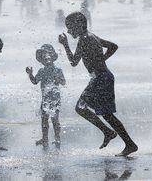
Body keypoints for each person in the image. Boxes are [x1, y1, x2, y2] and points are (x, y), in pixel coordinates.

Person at [58, 12, 138, 157]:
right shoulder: (91, 36)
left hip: (101, 79)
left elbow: (73, 62)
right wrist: (101, 61)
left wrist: (65, 45)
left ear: (79, 25)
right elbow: (113, 46)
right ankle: (121, 139)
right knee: (102, 113)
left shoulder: (84, 39)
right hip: (101, 77)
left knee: (84, 108)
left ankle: (118, 138)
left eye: (70, 27)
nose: (69, 31)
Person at [26, 44, 66, 150]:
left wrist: (58, 79)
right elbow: (35, 81)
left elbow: (63, 82)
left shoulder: (58, 70)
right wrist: (30, 74)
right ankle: (45, 138)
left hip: (54, 97)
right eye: (43, 57)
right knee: (45, 119)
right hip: (46, 98)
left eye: (47, 56)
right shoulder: (42, 71)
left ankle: (56, 137)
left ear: (52, 57)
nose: (45, 59)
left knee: (54, 119)